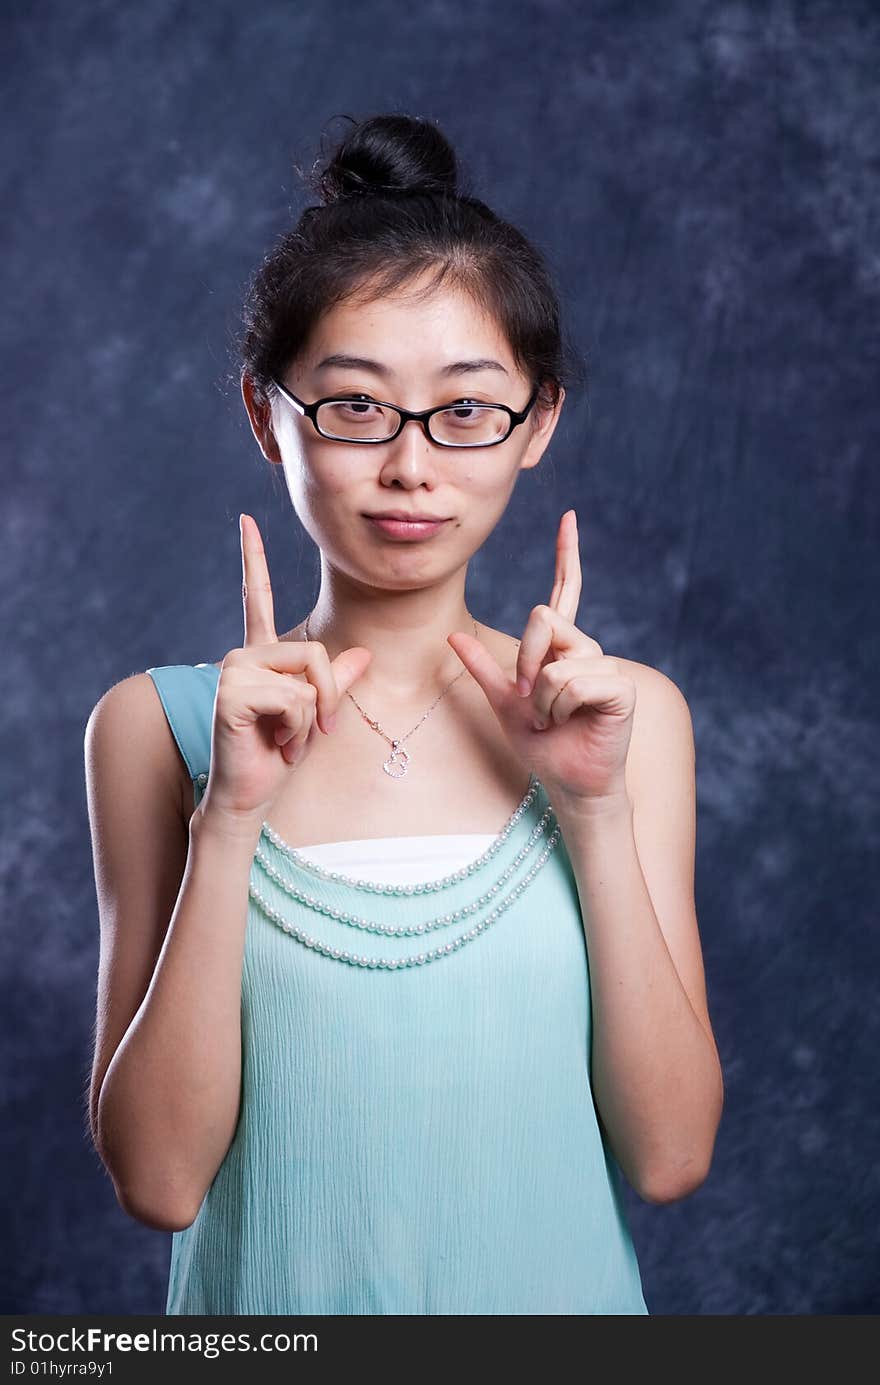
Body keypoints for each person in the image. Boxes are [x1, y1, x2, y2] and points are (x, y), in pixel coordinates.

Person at [84, 112, 723, 1316]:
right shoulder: (155, 727)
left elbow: (670, 1152)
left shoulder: (629, 715)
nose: (412, 465)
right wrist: (230, 818)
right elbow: (162, 1183)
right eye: (355, 407)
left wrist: (589, 809)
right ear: (264, 413)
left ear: (537, 424)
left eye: (467, 410)